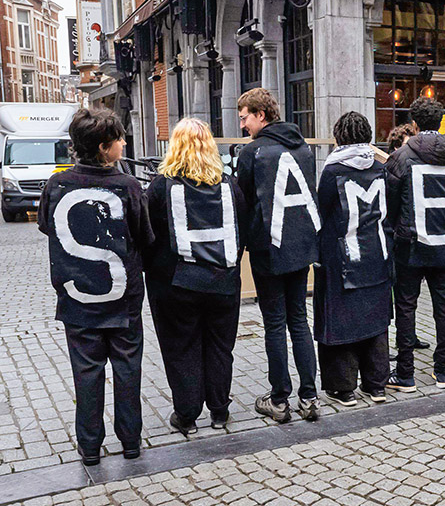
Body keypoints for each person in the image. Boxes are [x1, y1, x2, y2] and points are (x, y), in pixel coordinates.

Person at [37, 106, 153, 465]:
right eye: (119, 139)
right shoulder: (127, 186)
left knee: (86, 372)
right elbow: (144, 236)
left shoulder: (57, 184)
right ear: (104, 147)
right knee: (127, 367)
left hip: (77, 297)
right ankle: (130, 442)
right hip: (122, 297)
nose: (123, 143)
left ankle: (89, 447)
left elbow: (46, 226)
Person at [144, 118, 248, 435]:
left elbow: (149, 237)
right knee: (219, 347)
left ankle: (187, 414)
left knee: (181, 348)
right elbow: (242, 231)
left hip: (178, 284)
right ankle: (219, 410)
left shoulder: (161, 187)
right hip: (223, 281)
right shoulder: (230, 186)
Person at [237, 88, 321, 423]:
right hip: (300, 245)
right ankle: (311, 396)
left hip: (268, 247)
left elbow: (243, 203)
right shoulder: (302, 147)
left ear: (260, 114)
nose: (242, 125)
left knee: (275, 322)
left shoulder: (253, 153)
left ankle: (279, 399)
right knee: (299, 319)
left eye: (244, 117)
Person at [385, 97, 445, 391]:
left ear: (415, 124)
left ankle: (405, 374)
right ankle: (442, 370)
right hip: (443, 242)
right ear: (440, 121)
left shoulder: (401, 156)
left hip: (409, 244)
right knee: (443, 306)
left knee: (406, 307)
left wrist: (397, 230)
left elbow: (390, 204)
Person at [314, 112, 392, 406]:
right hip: (377, 254)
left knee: (341, 320)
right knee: (375, 320)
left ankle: (343, 387)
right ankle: (376, 385)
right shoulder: (380, 166)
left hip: (342, 258)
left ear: (338, 137)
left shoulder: (333, 170)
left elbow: (323, 211)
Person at [386, 126, 431, 356]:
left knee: (410, 296)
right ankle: (401, 339)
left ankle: (409, 336)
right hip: (399, 240)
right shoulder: (394, 167)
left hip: (414, 237)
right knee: (400, 295)